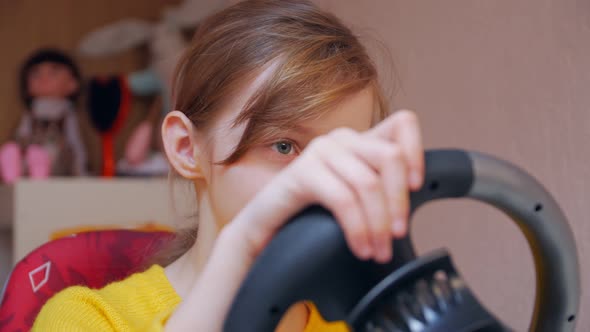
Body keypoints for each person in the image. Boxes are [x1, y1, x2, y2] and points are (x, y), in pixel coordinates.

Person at [33, 0, 424, 331]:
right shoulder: (85, 318)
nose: (320, 182)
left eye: (342, 152)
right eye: (284, 146)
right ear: (186, 148)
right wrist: (245, 243)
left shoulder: (360, 319)